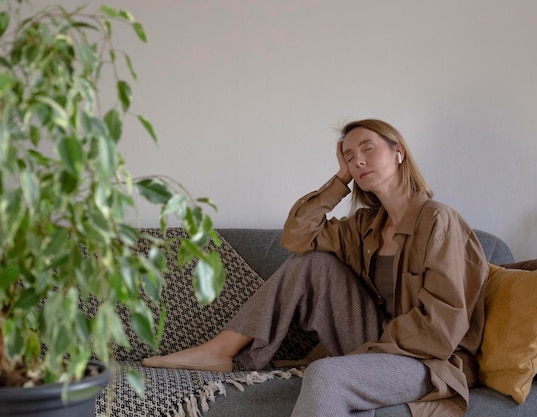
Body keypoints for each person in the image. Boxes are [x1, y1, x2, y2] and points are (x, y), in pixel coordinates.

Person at [143, 119, 489, 417]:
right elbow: (296, 238)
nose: (359, 161)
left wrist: (366, 355)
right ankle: (220, 350)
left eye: (368, 149)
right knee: (313, 263)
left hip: (427, 359)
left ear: (399, 152)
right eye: (350, 157)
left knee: (325, 375)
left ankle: (229, 353)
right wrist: (340, 179)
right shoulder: (365, 226)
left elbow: (441, 329)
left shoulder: (438, 220)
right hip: (378, 342)